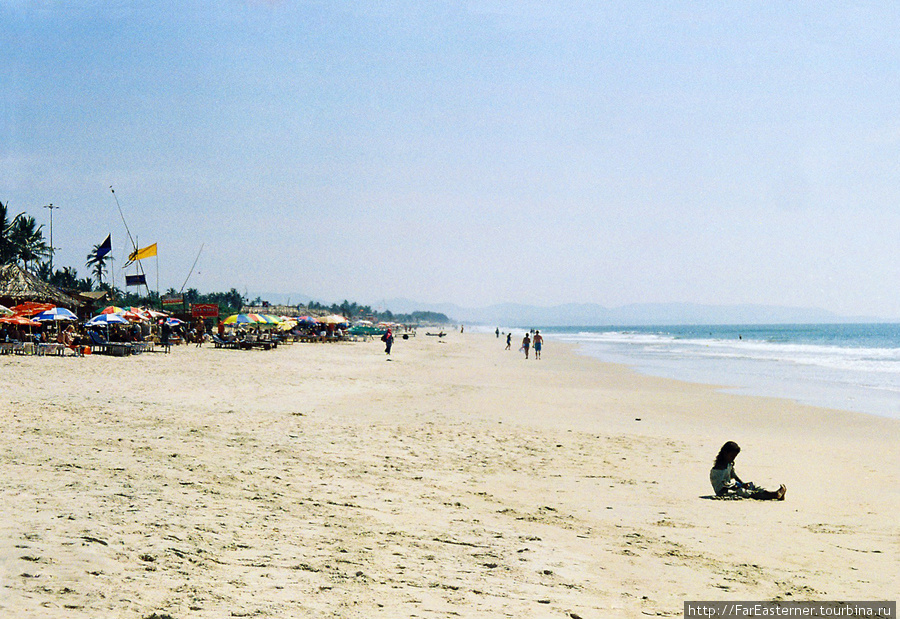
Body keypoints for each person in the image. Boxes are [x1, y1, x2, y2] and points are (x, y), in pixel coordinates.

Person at [709, 441, 785, 500]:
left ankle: (772, 493)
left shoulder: (728, 464)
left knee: (753, 486)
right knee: (745, 492)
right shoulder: (718, 469)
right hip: (724, 492)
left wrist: (743, 484)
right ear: (725, 453)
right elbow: (723, 486)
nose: (733, 458)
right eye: (731, 456)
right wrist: (739, 486)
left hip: (733, 487)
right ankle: (775, 495)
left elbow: (734, 476)